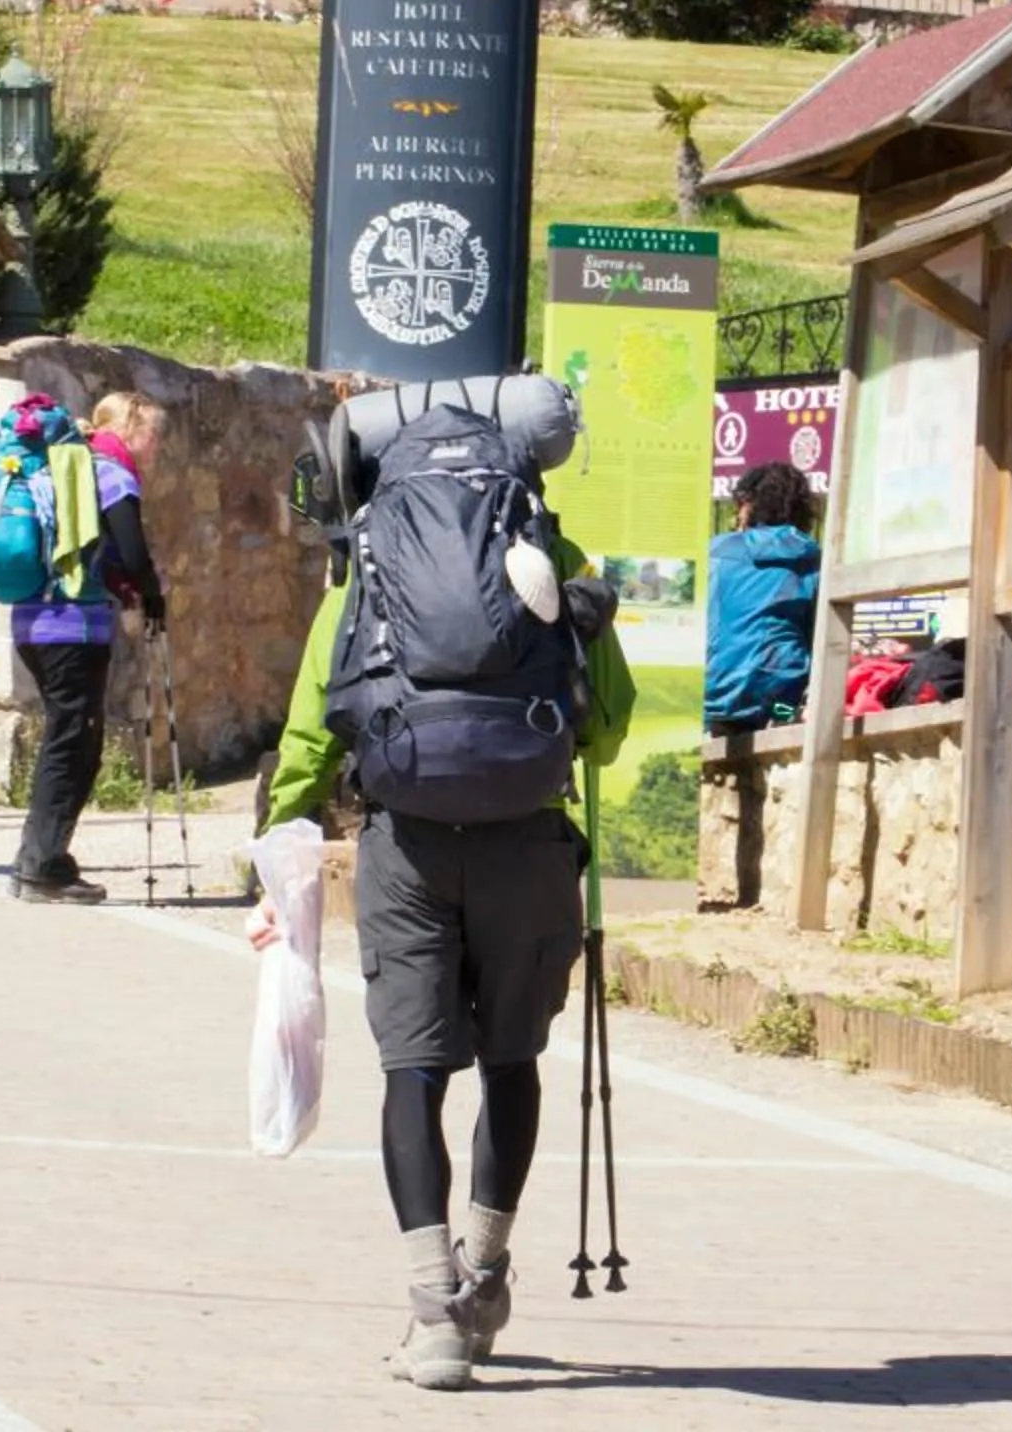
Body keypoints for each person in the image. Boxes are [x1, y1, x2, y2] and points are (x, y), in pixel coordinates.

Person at [251, 450, 635, 1393]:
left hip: (407, 849)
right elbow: (609, 722)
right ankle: (489, 1275)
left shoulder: (372, 567)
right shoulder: (554, 550)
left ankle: (434, 1312)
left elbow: (313, 725)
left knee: (412, 1073)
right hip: (530, 850)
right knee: (511, 1064)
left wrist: (277, 860)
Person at [7, 389, 169, 905]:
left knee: (67, 737)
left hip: (32, 619)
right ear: (130, 427)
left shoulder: (66, 466)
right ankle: (42, 866)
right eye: (153, 433)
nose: (157, 445)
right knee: (74, 743)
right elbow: (133, 549)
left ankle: (41, 857)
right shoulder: (110, 471)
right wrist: (152, 597)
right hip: (72, 624)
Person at [703, 462, 820, 734]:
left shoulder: (715, 553)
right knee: (794, 710)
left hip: (710, 703)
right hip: (778, 704)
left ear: (749, 505)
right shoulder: (814, 561)